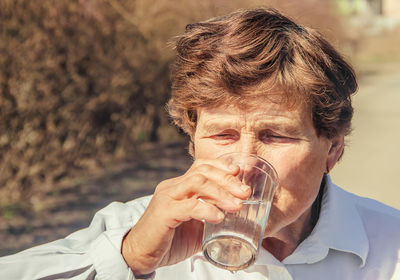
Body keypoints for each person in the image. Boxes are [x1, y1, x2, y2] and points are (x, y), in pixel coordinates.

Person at [1, 8, 400, 280]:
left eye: (275, 135)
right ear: (192, 143)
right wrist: (130, 262)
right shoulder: (137, 232)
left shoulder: (390, 245)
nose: (244, 163)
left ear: (333, 149)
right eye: (222, 135)